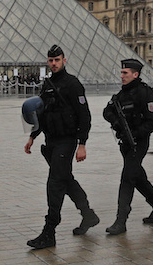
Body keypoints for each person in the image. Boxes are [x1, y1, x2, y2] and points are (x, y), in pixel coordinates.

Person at [24, 45, 98, 249]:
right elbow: (42, 113)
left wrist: (82, 144)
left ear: (64, 60)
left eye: (57, 60)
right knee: (66, 179)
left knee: (55, 183)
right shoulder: (47, 84)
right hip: (51, 140)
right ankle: (88, 215)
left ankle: (49, 232)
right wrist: (32, 137)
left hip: (67, 141)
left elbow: (85, 116)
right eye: (50, 60)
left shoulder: (73, 84)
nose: (54, 63)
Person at [102, 59, 153, 235]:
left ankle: (121, 220)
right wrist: (116, 123)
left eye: (125, 73)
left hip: (139, 142)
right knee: (138, 177)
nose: (121, 76)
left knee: (127, 178)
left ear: (135, 74)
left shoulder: (145, 94)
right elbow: (106, 112)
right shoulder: (121, 95)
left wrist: (135, 133)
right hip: (125, 142)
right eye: (122, 73)